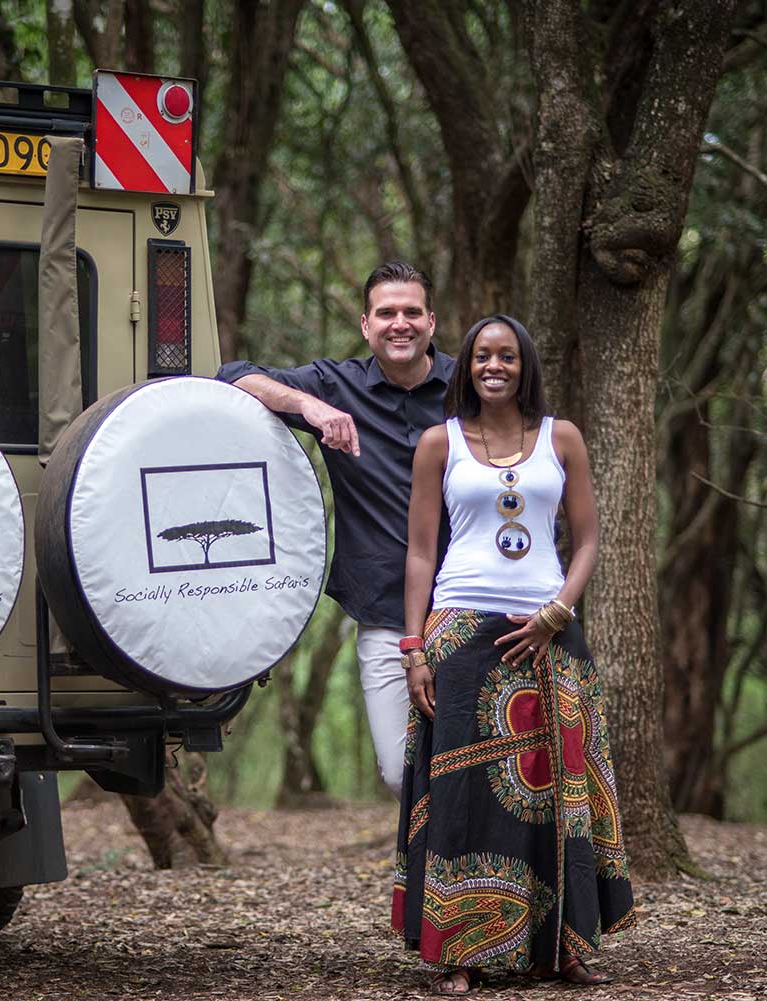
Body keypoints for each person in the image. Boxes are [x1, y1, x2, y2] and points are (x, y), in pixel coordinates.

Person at [394, 315, 634, 995]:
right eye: (480, 356)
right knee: (466, 795)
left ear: (525, 365)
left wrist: (558, 609)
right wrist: (413, 648)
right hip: (461, 633)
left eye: (506, 356)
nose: (493, 366)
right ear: (465, 367)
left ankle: (565, 948)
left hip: (550, 630)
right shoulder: (438, 444)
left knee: (561, 788)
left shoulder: (562, 438)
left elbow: (587, 538)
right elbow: (419, 551)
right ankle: (461, 952)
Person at [217, 261, 455, 796]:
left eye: (412, 312)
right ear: (367, 326)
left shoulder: (467, 389)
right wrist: (311, 407)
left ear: (431, 322)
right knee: (401, 773)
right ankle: (431, 875)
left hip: (468, 606)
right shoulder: (337, 386)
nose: (401, 323)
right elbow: (232, 376)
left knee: (474, 763)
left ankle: (467, 876)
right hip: (385, 612)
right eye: (386, 313)